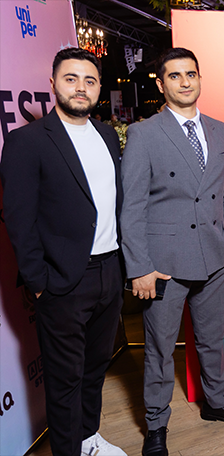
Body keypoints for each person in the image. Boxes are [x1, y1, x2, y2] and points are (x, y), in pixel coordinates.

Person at [120, 48, 224, 456]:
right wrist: (140, 267)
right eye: (175, 75)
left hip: (216, 256)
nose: (185, 82)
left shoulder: (221, 130)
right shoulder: (144, 133)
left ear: (199, 79)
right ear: (160, 84)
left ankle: (216, 402)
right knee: (160, 349)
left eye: (191, 74)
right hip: (164, 264)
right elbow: (132, 207)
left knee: (212, 339)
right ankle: (156, 424)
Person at [0, 48, 126, 456]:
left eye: (89, 81)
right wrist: (40, 282)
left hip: (110, 272)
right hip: (64, 281)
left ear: (99, 87)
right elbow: (19, 219)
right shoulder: (27, 142)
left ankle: (88, 439)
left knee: (94, 369)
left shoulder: (107, 135)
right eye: (71, 79)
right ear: (53, 83)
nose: (81, 88)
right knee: (65, 379)